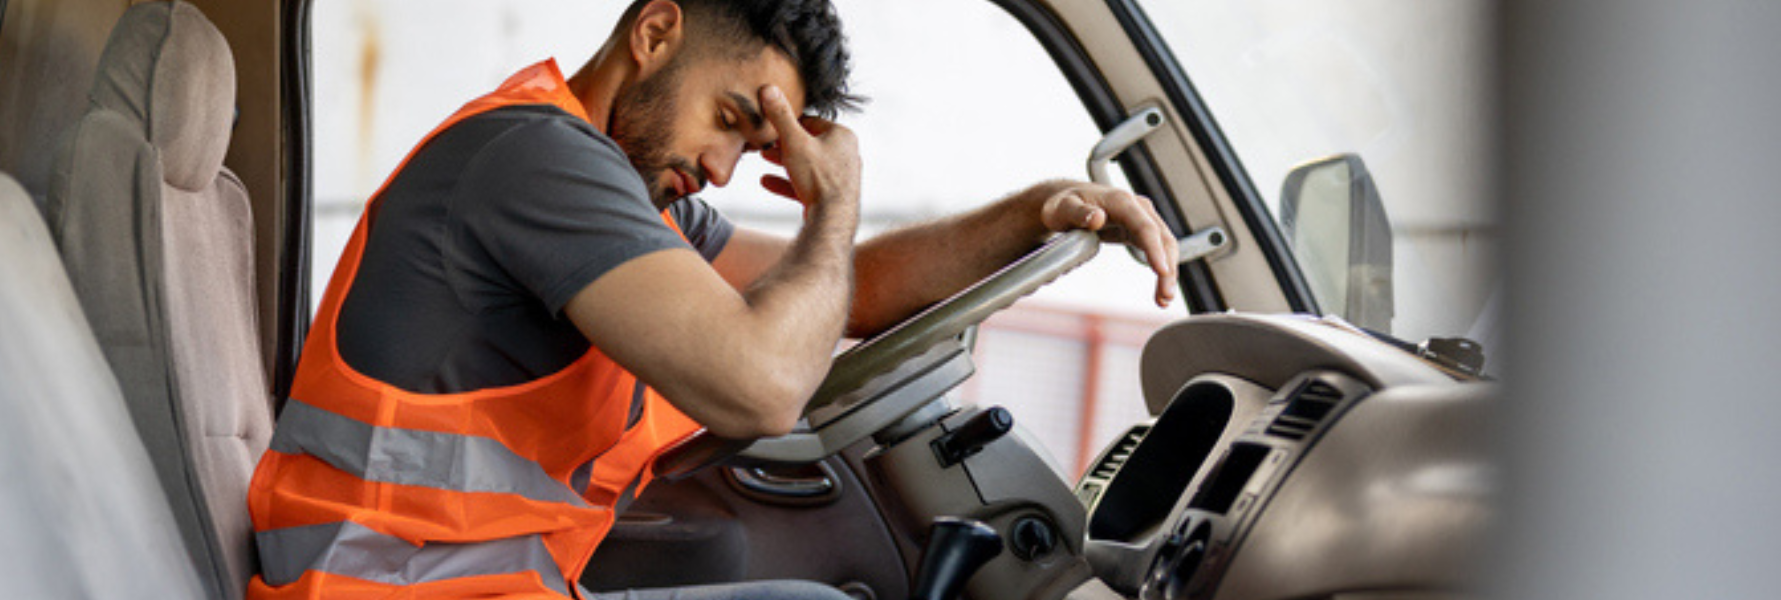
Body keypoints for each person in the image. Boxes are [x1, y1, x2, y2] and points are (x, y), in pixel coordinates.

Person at [245, 0, 1180, 598]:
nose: (723, 169)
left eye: (757, 147)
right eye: (733, 121)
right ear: (656, 33)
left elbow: (860, 292)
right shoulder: (536, 163)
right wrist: (833, 204)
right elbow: (764, 387)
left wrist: (1034, 214)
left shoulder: (620, 188)